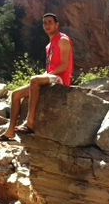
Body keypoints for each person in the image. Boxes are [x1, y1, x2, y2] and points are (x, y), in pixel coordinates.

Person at [4, 12, 75, 140]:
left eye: (50, 22)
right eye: (45, 23)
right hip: (52, 77)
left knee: (34, 80)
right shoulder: (48, 46)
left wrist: (46, 75)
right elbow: (50, 68)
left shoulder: (63, 40)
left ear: (56, 25)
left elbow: (64, 66)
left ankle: (29, 122)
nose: (47, 25)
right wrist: (46, 75)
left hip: (61, 79)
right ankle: (10, 131)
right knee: (15, 94)